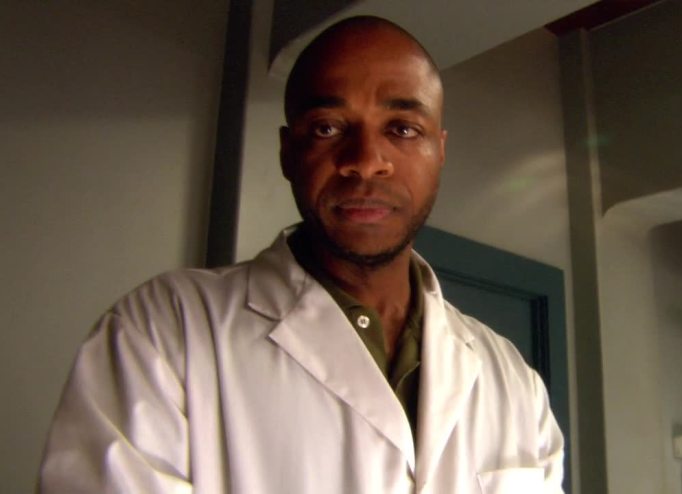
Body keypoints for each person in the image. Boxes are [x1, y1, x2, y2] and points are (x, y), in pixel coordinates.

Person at [39, 16, 564, 493]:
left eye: (403, 129)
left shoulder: (514, 382)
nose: (366, 161)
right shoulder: (161, 332)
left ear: (440, 151)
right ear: (288, 153)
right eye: (327, 128)